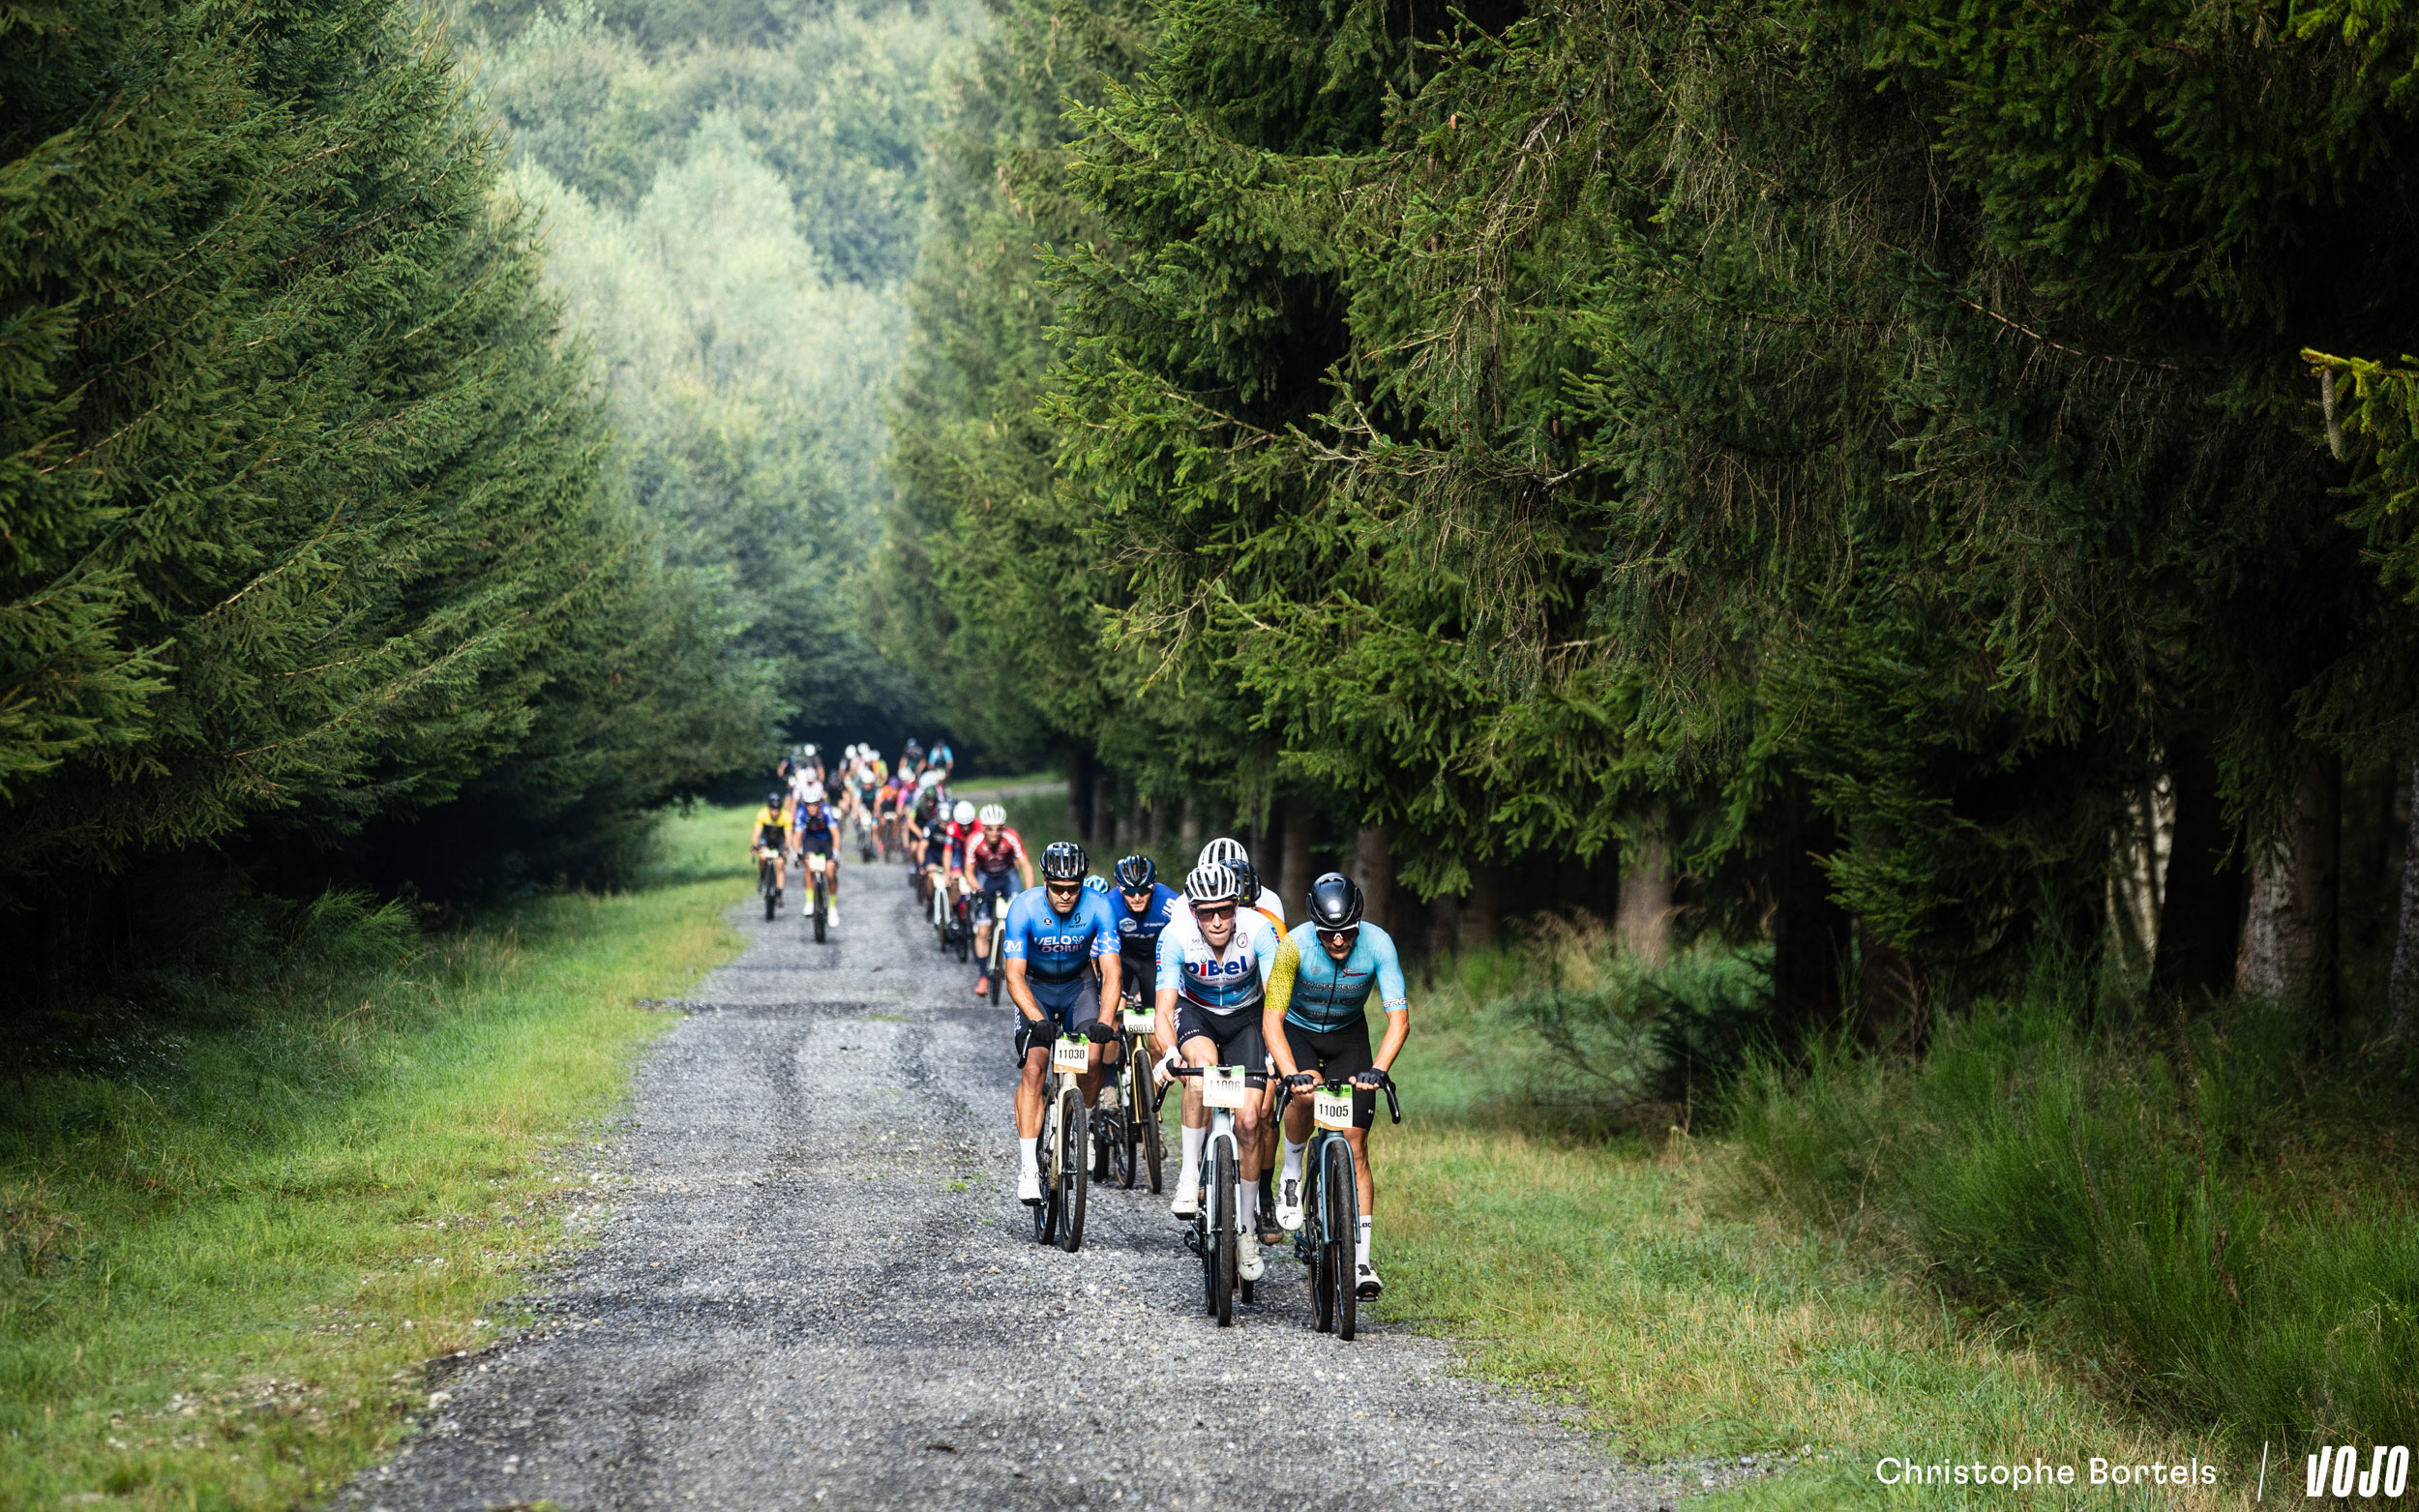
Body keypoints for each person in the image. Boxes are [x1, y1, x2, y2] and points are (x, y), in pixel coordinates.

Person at [1264, 872, 1410, 1299]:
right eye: (1329, 934)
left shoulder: (1379, 944)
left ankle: (1361, 1261)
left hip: (1349, 1036)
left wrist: (1378, 1069)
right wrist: (1290, 1072)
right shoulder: (1294, 946)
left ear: (1358, 924)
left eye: (1346, 932)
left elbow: (1398, 1019)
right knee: (1305, 1094)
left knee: (1356, 1144)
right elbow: (1272, 1019)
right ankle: (1292, 1171)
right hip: (1299, 1032)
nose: (1339, 941)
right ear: (1314, 926)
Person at [1151, 860, 1294, 1283]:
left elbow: (1275, 1002)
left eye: (1225, 910)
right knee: (1201, 1069)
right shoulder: (1175, 934)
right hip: (1196, 1014)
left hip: (1249, 1018)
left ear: (1238, 906)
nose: (1217, 920)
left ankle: (1246, 1229)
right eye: (1206, 912)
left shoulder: (1260, 931)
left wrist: (1274, 1056)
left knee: (1251, 1120)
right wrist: (1167, 1053)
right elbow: (1163, 1009)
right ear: (1192, 911)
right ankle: (1190, 1173)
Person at [1003, 841, 1122, 1203]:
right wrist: (1037, 1020)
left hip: (1078, 987)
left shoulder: (1099, 906)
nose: (1066, 896)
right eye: (1058, 888)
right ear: (1045, 882)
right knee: (1035, 1068)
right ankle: (1027, 1168)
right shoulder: (1023, 907)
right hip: (1036, 989)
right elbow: (1013, 976)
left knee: (1092, 1057)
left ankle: (1081, 1125)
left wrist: (1104, 1021)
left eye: (1074, 888)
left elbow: (1112, 972)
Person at [966, 802, 1033, 996]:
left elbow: (1026, 866)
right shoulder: (974, 840)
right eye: (990, 829)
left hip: (1007, 876)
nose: (994, 833)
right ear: (983, 828)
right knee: (983, 929)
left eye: (998, 829)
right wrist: (977, 889)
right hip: (985, 877)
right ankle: (983, 976)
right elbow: (968, 871)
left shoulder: (1011, 837)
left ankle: (1025, 971)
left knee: (1021, 921)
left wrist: (1027, 894)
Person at [789, 781, 842, 926]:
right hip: (811, 841)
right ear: (804, 804)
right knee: (809, 866)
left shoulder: (826, 811)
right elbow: (798, 835)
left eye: (815, 804)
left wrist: (836, 851)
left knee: (830, 872)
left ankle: (832, 907)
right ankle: (810, 901)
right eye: (808, 804)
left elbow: (835, 834)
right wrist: (795, 852)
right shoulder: (801, 813)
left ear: (820, 803)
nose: (811, 808)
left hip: (827, 841)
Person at [749, 789, 789, 910]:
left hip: (779, 841)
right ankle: (762, 877)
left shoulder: (786, 816)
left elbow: (788, 835)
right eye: (772, 809)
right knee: (762, 857)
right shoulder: (762, 814)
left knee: (780, 863)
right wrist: (755, 845)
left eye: (777, 810)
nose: (775, 813)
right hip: (766, 840)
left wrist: (786, 849)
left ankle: (779, 894)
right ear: (768, 808)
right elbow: (757, 832)